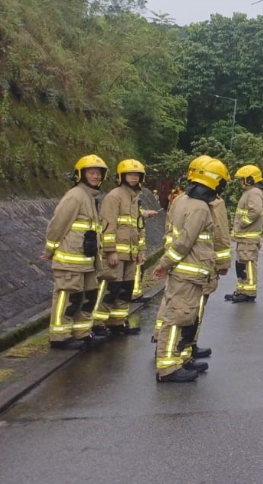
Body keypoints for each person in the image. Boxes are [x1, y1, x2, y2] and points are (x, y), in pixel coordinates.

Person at [151, 159, 222, 383]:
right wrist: (164, 263)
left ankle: (179, 360)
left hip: (184, 271)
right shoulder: (200, 208)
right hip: (188, 273)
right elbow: (184, 242)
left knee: (181, 316)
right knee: (178, 319)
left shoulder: (182, 200)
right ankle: (168, 367)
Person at [43, 155, 108, 350]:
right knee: (68, 298)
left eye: (98, 173)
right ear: (80, 174)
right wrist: (49, 250)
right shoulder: (75, 195)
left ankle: (81, 332)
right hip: (70, 261)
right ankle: (59, 337)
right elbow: (57, 225)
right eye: (91, 172)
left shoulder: (89, 196)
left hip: (86, 261)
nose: (95, 176)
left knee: (87, 298)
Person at [94, 159, 157, 335]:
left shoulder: (135, 199)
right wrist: (110, 250)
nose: (133, 178)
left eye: (136, 175)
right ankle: (98, 323)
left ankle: (117, 322)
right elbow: (107, 225)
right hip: (116, 254)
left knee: (125, 289)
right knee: (110, 288)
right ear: (122, 176)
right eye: (130, 174)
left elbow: (138, 227)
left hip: (130, 254)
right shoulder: (114, 196)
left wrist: (140, 251)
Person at [180, 157, 230, 361]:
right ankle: (187, 346)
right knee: (195, 307)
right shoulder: (212, 204)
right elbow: (219, 234)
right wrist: (223, 262)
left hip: (182, 264)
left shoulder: (181, 199)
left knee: (177, 306)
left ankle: (170, 345)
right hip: (201, 264)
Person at [225, 165, 263, 303]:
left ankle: (249, 292)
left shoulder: (254, 192)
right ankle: (242, 289)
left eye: (242, 179)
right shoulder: (249, 192)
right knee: (241, 264)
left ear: (249, 179)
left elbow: (255, 211)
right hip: (244, 237)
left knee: (248, 264)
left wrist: (242, 223)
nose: (240, 181)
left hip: (248, 237)